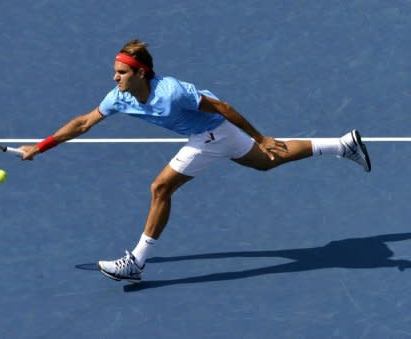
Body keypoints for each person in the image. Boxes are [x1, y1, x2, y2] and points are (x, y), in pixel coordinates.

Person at [21, 39, 371, 283]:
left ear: (141, 73)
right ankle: (342, 145)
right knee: (265, 162)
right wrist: (41, 146)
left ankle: (136, 263)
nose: (115, 78)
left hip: (213, 132)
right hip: (212, 135)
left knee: (160, 187)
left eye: (121, 73)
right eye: (115, 72)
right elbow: (83, 122)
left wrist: (260, 134)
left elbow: (222, 107)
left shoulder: (171, 92)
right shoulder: (119, 97)